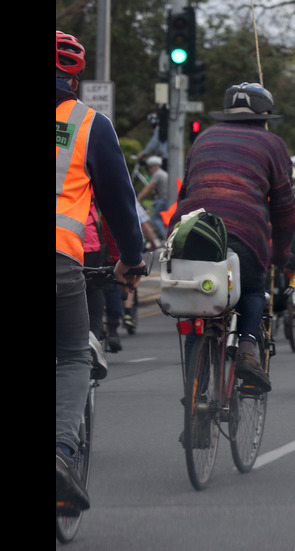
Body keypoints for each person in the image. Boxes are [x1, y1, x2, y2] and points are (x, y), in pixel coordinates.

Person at [57, 30, 147, 512]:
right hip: (61, 261)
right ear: (75, 77)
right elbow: (119, 204)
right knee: (73, 356)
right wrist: (131, 260)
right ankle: (59, 452)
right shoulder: (88, 123)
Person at [170, 82, 295, 391]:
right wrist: (279, 256)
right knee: (253, 289)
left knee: (197, 309)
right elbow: (286, 208)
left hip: (193, 230)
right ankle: (247, 350)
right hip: (244, 231)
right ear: (264, 115)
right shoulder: (273, 144)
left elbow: (186, 192)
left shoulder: (204, 138)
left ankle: (194, 401)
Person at [136, 155, 170, 240]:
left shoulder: (158, 174)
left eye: (150, 167)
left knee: (155, 219)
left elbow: (149, 187)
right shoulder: (162, 173)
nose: (149, 169)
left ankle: (165, 237)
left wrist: (138, 198)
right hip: (165, 199)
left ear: (156, 166)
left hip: (164, 200)